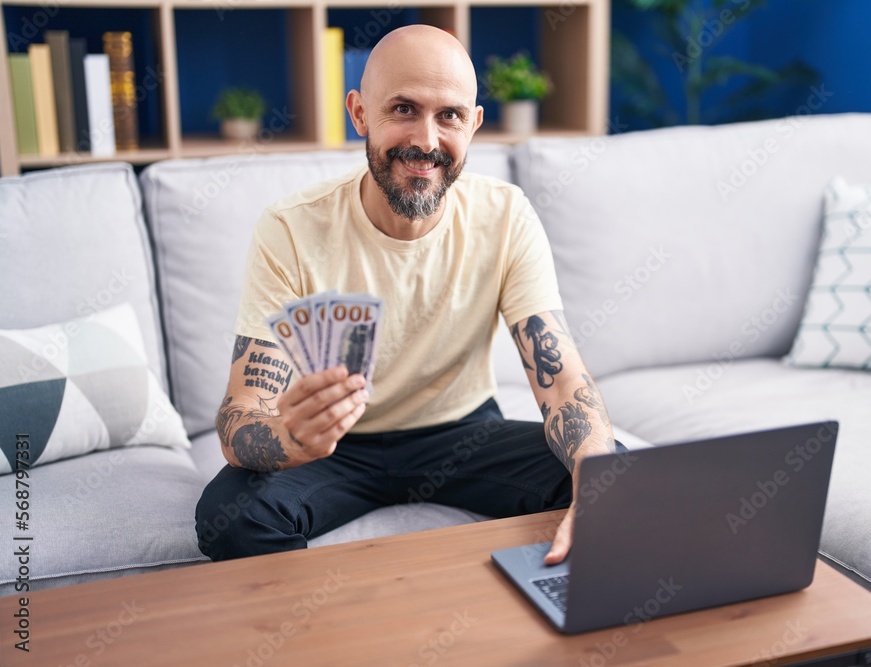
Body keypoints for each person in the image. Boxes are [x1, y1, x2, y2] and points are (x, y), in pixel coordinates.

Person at [195, 24, 622, 564]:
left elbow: (564, 385)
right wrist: (289, 439)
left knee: (609, 480)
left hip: (464, 434)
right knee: (229, 517)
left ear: (474, 124)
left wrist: (594, 474)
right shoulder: (291, 228)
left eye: (450, 115)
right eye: (403, 108)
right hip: (335, 446)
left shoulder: (506, 215)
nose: (426, 140)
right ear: (359, 114)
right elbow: (240, 417)